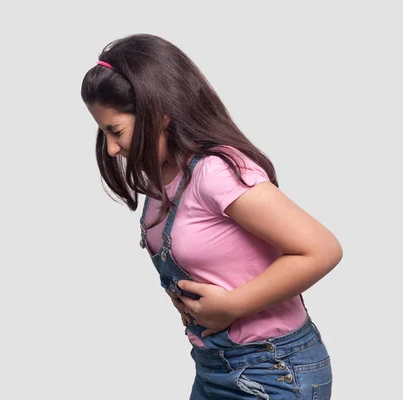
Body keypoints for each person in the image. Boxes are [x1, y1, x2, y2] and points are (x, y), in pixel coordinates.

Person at [81, 33, 342, 400]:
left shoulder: (216, 173)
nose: (111, 147)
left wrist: (231, 306)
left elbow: (322, 249)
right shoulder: (163, 179)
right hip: (214, 367)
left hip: (271, 371)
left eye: (116, 131)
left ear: (161, 115)